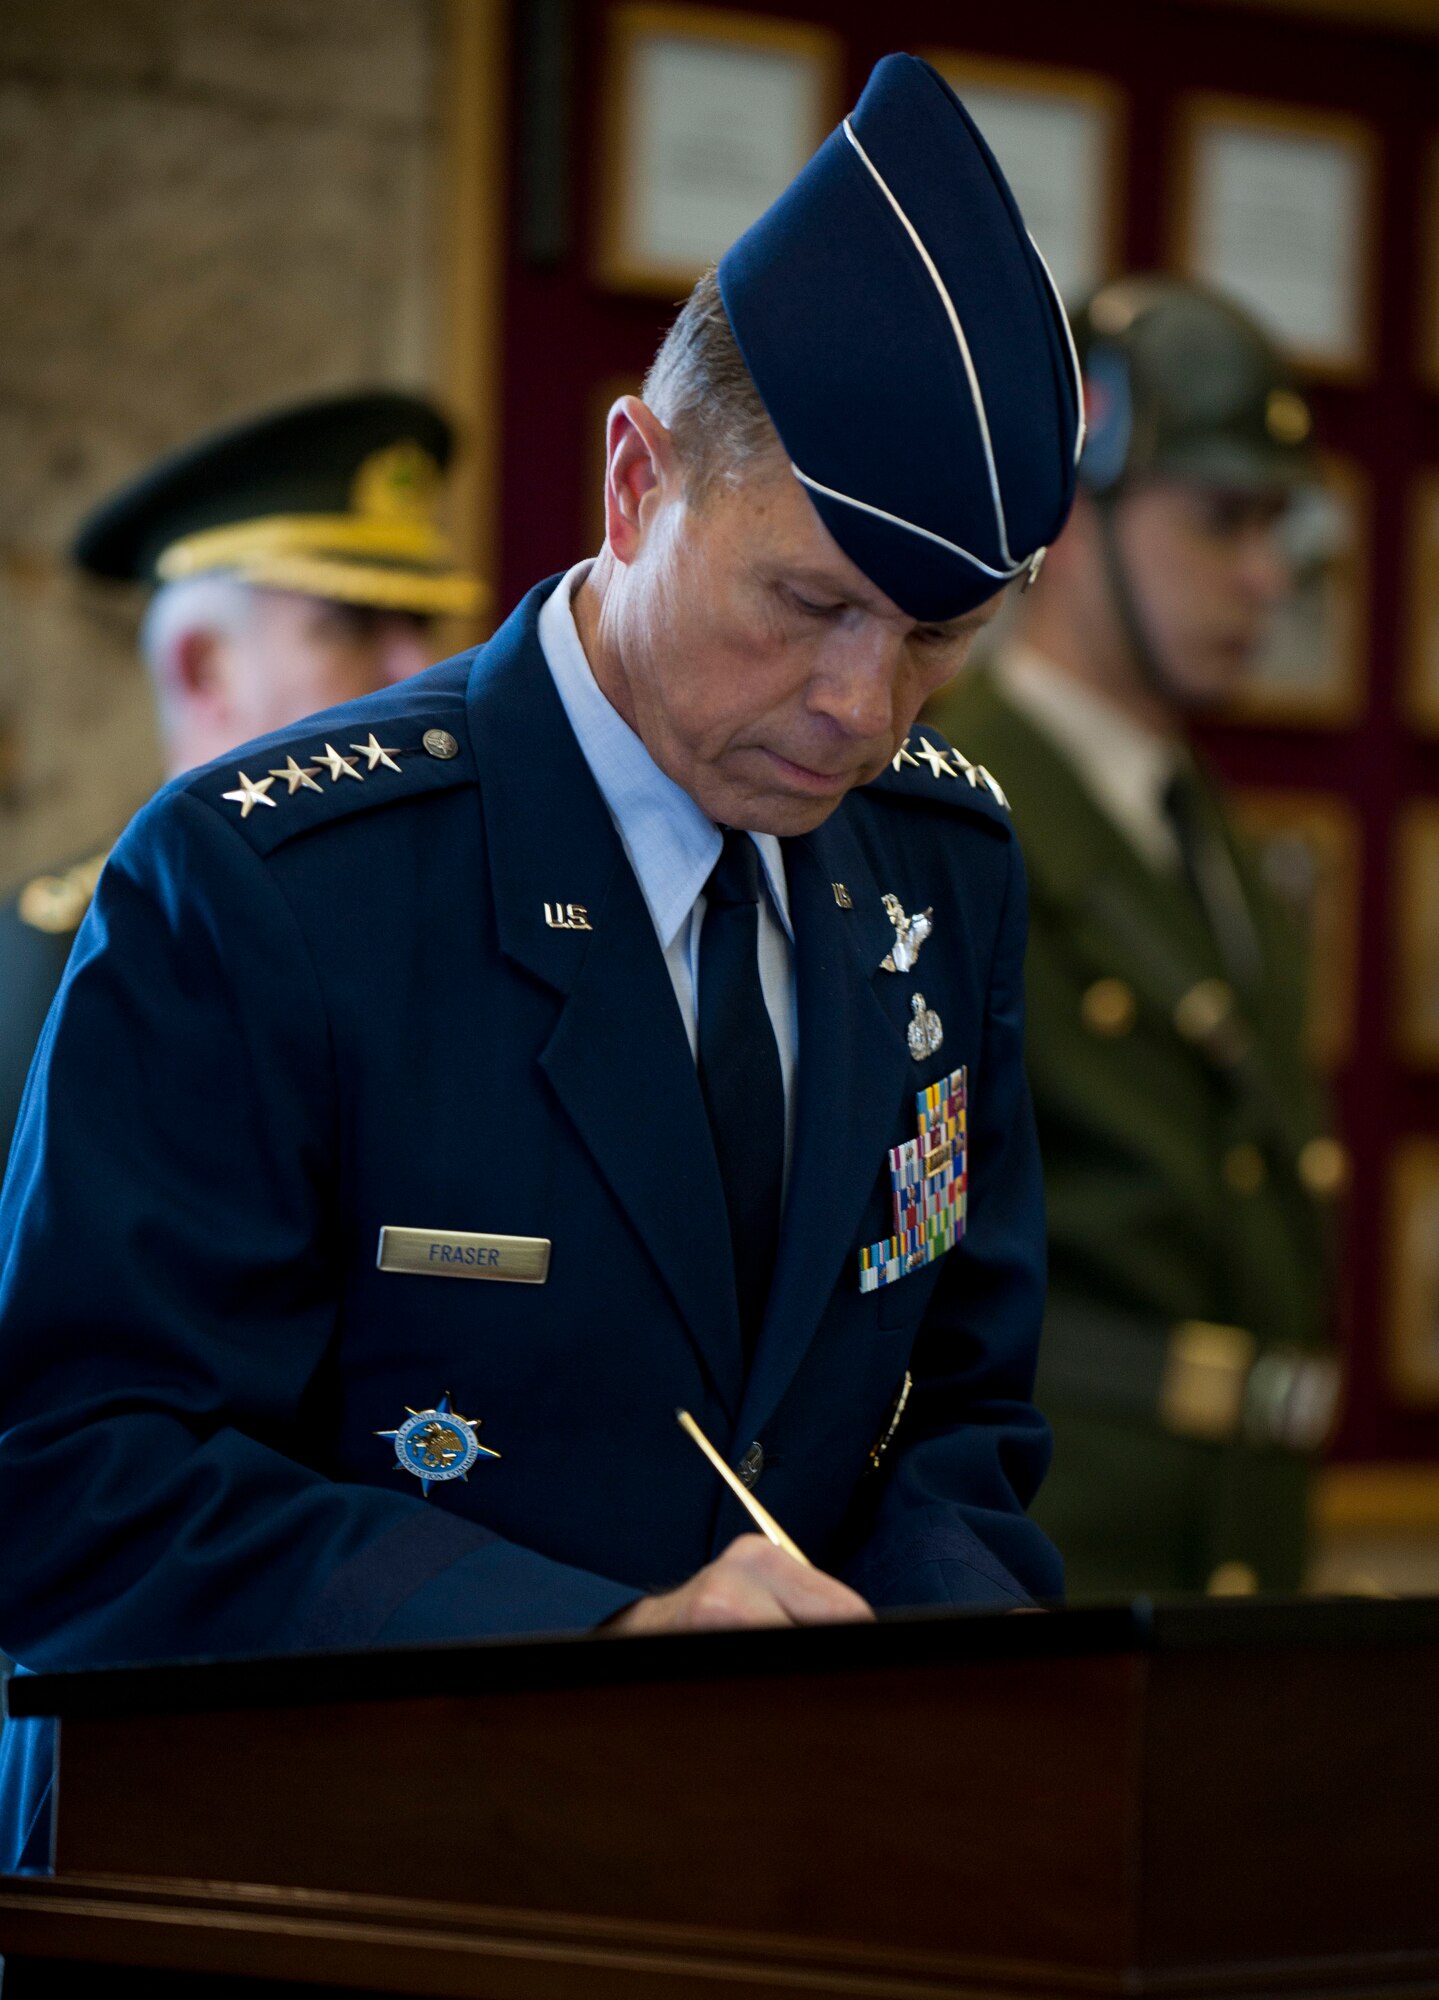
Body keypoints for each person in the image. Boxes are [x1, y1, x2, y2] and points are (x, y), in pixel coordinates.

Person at [0, 53, 1083, 1872]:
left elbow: (963, 1400)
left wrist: (937, 1645)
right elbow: (75, 1478)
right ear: (632, 479)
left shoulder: (937, 866)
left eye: (936, 637)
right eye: (806, 603)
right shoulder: (274, 878)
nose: (858, 709)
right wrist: (595, 1646)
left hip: (772, 1877)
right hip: (315, 1895)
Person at [925, 275, 1344, 1599]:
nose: (1265, 577)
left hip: (1223, 1523)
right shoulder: (948, 797)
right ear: (1078, 501)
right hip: (1053, 1524)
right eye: (1220, 519)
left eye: (1275, 525)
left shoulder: (1203, 822)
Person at [0, 390, 484, 1161]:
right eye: (352, 624)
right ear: (204, 667)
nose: (416, 668)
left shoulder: (465, 922)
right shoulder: (69, 953)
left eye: (419, 624)